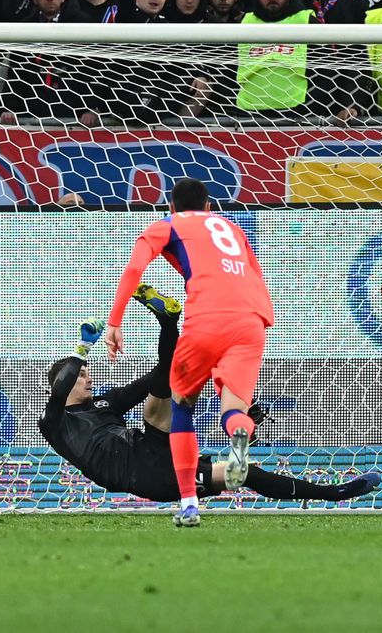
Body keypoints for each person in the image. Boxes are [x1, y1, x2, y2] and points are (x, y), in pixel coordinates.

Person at [42, 291, 379, 512]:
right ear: (61, 383)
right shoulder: (54, 422)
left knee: (163, 390)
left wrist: (170, 337)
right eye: (81, 375)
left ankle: (336, 494)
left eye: (87, 373)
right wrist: (82, 347)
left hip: (151, 450)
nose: (87, 379)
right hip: (142, 476)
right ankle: (243, 438)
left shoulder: (105, 403)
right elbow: (61, 391)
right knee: (238, 475)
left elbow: (157, 375)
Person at [105, 178, 274, 527]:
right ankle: (239, 432)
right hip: (251, 323)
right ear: (209, 207)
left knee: (181, 407)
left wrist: (115, 321)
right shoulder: (231, 227)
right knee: (233, 411)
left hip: (206, 320)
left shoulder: (166, 225)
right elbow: (255, 277)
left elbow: (135, 269)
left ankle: (188, 504)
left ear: (171, 206)